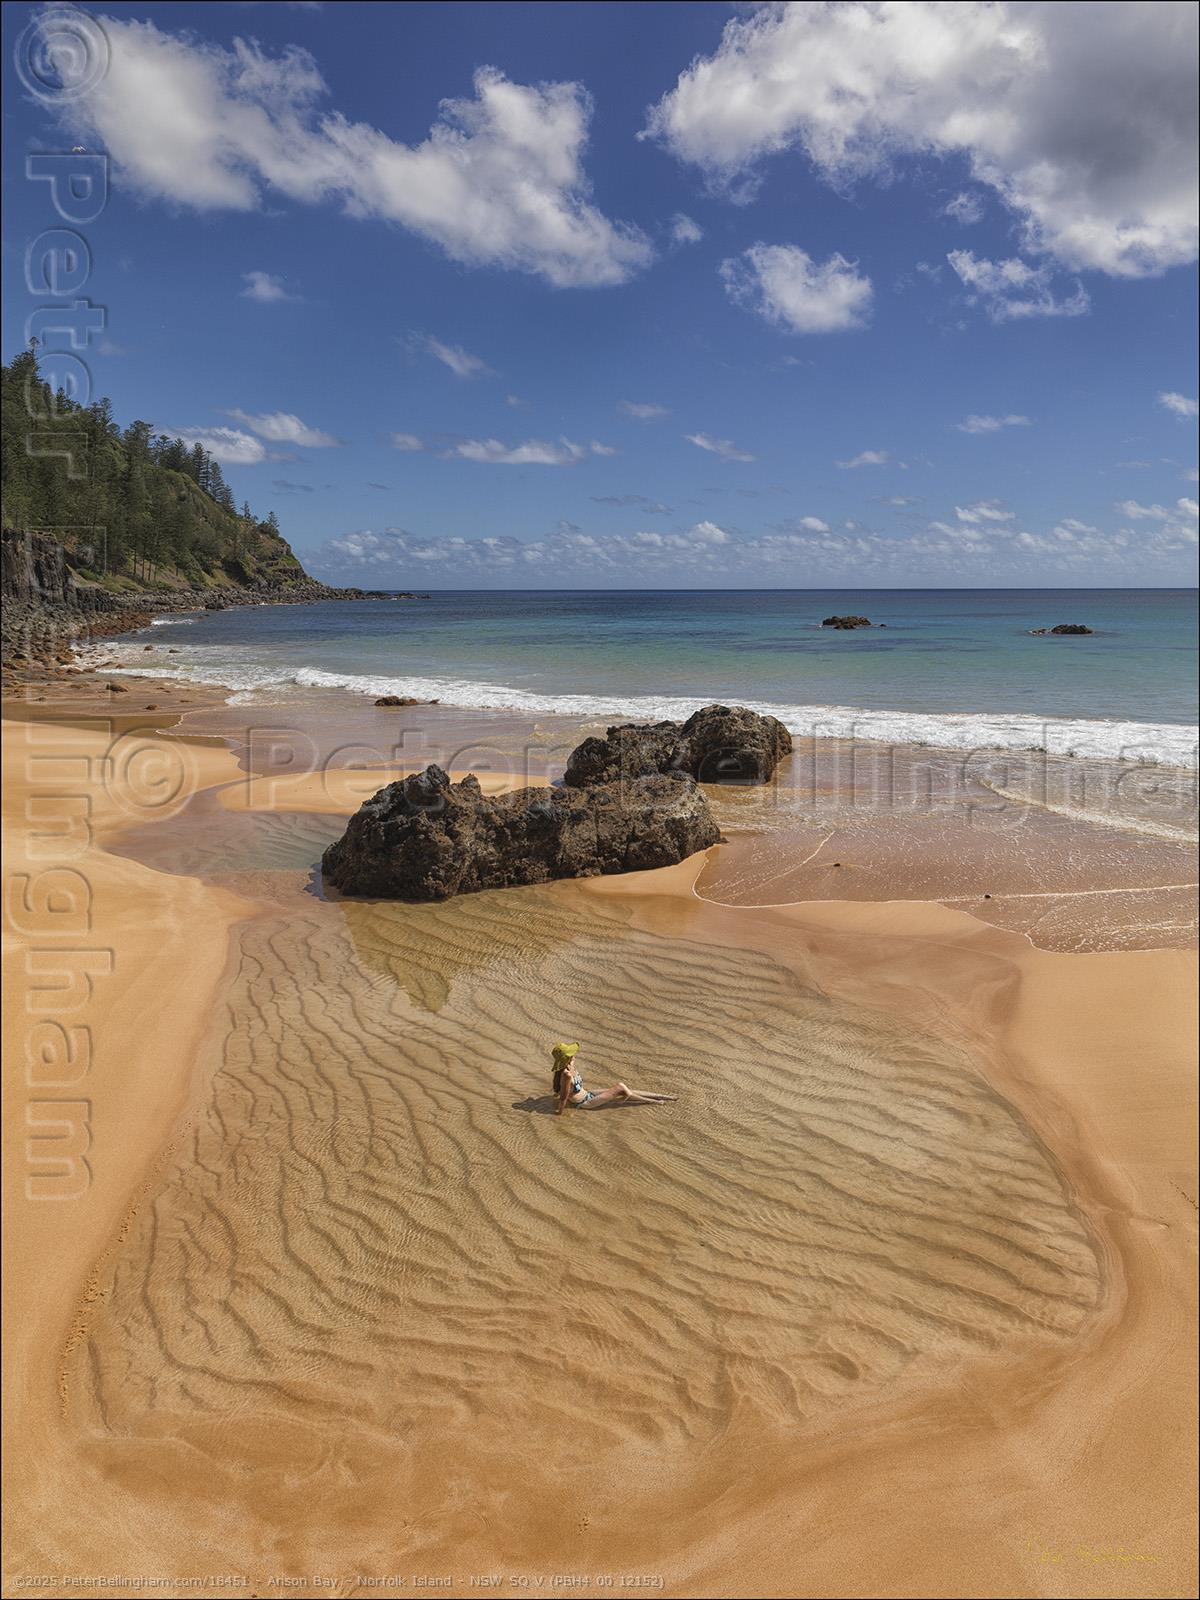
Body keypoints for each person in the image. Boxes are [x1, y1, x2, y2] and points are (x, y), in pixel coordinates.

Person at [550, 1041, 676, 1114]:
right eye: (571, 1054)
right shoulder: (566, 1075)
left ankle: (662, 1096)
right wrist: (559, 1114)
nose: (574, 1055)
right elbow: (563, 1098)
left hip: (588, 1094)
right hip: (585, 1103)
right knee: (620, 1087)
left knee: (625, 1090)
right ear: (566, 1058)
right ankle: (654, 1102)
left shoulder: (570, 1065)